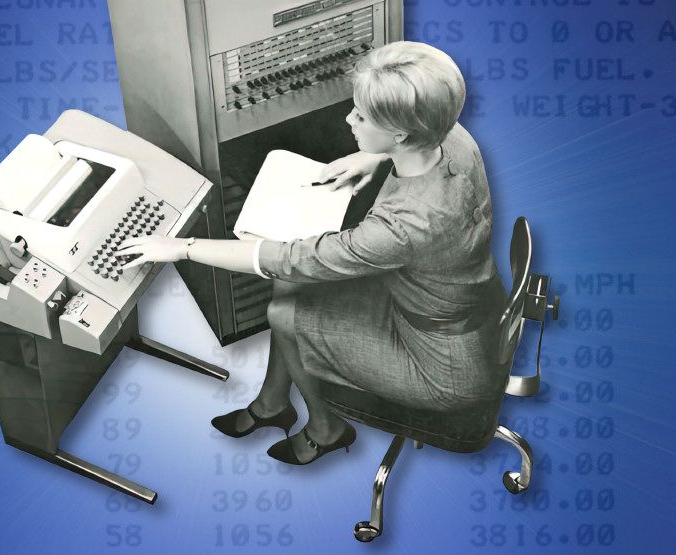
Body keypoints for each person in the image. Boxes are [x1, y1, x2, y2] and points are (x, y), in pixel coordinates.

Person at [117, 41, 505, 465]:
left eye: (362, 116)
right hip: (463, 305)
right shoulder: (453, 136)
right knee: (289, 290)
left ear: (400, 133)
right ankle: (272, 403)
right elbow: (419, 145)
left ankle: (327, 428)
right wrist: (369, 158)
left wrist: (182, 248)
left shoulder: (404, 226)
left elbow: (291, 258)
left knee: (284, 309)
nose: (348, 118)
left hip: (441, 365)